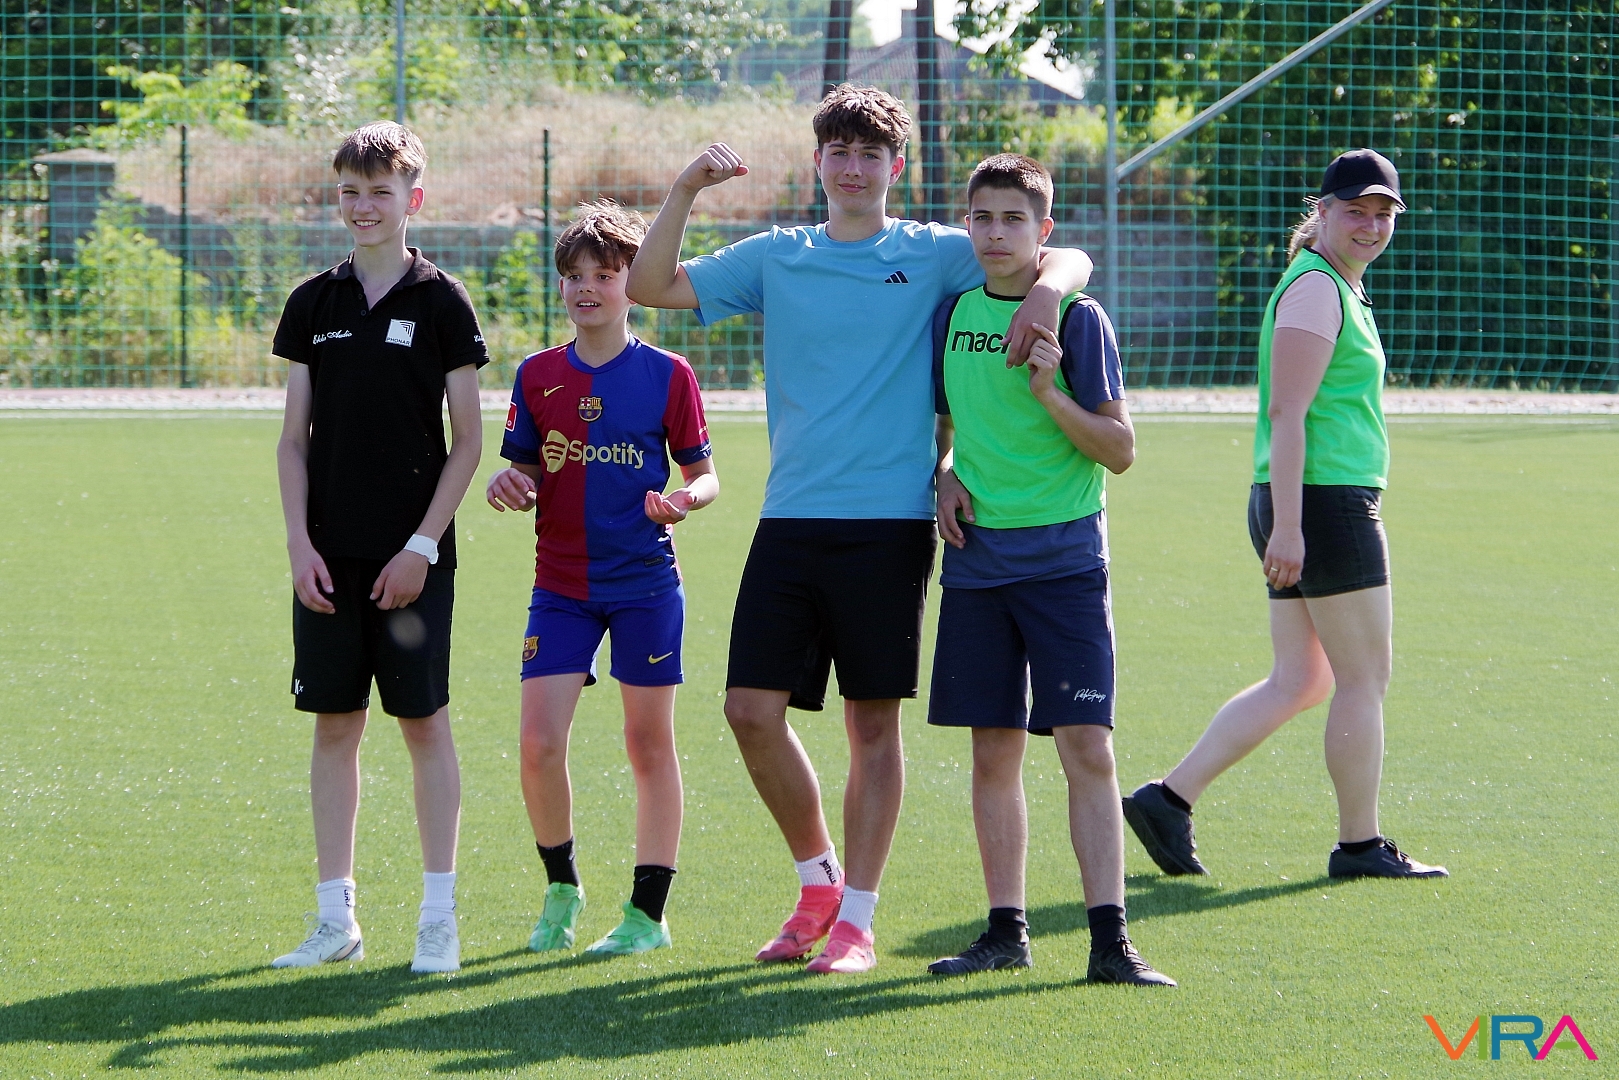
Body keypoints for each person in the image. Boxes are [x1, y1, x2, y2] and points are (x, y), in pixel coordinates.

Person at [626, 85, 1094, 973]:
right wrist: (685, 189)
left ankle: (858, 921)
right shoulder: (779, 255)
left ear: (895, 166)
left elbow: (1064, 253)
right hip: (790, 516)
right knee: (748, 710)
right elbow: (650, 287)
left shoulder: (932, 252)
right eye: (837, 153)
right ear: (817, 163)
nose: (851, 168)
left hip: (890, 523)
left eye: (868, 154)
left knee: (869, 726)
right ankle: (818, 882)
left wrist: (1044, 295)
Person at [1122, 149, 1448, 882]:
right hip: (1322, 503)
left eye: (1382, 214)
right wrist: (1292, 527)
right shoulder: (1316, 288)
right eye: (1355, 210)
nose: (1370, 225)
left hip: (1308, 500)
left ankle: (1167, 800)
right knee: (1363, 677)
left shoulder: (1333, 284)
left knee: (1301, 680)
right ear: (1322, 211)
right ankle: (1359, 845)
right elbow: (1287, 413)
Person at [923, 155, 1173, 986]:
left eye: (1013, 219)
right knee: (992, 754)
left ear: (1043, 231)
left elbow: (1121, 450)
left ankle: (1111, 943)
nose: (995, 233)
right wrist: (943, 475)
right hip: (976, 566)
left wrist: (1051, 397)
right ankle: (1005, 933)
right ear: (966, 223)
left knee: (1086, 750)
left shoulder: (1079, 318)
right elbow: (945, 427)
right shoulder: (951, 313)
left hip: (1064, 564)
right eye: (982, 217)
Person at [270, 121, 488, 973]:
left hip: (413, 562)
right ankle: (336, 921)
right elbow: (292, 442)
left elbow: (468, 442)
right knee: (335, 728)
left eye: (380, 193)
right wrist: (299, 546)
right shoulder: (312, 302)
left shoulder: (442, 302)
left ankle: (439, 919)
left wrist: (421, 547)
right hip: (328, 559)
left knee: (424, 726)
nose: (364, 207)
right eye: (351, 193)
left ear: (413, 199)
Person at [486, 201, 718, 957]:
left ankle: (647, 914)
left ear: (630, 285)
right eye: (574, 276)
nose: (587, 288)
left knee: (648, 744)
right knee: (537, 743)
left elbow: (705, 475)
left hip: (646, 584)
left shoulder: (667, 375)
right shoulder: (537, 375)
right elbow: (525, 469)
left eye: (606, 274)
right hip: (560, 586)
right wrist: (509, 483)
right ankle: (562, 889)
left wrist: (685, 499)